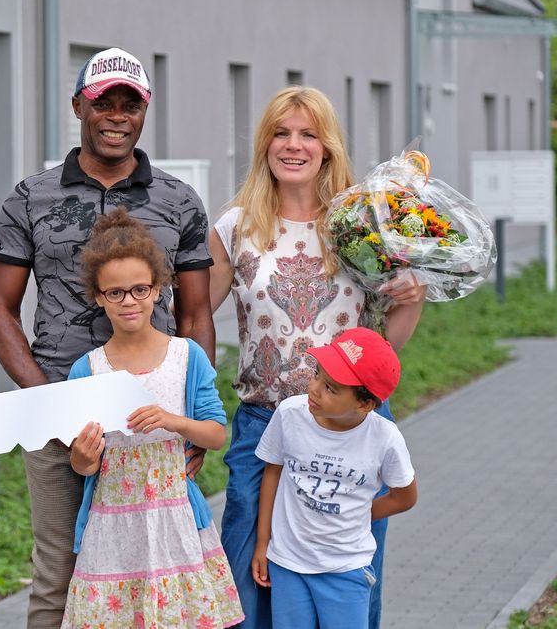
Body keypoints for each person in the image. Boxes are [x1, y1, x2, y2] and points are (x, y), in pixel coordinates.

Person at [0, 47, 216, 628]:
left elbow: (195, 316)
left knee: (156, 571)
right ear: (78, 107)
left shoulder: (178, 201)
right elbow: (0, 309)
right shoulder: (30, 197)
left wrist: (191, 414)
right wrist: (50, 402)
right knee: (59, 573)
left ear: (144, 113)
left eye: (129, 105)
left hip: (151, 413)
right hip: (58, 409)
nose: (116, 116)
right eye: (102, 103)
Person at [209, 86, 425, 629]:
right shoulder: (235, 227)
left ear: (327, 146)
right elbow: (192, 318)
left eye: (308, 134)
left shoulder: (359, 226)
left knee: (352, 573)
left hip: (351, 427)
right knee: (246, 569)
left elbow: (385, 346)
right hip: (265, 424)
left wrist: (412, 299)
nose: (293, 145)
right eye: (281, 133)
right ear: (265, 144)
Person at [62, 208, 244, 629]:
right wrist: (84, 457)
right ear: (97, 296)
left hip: (177, 522)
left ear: (159, 289)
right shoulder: (87, 370)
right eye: (116, 292)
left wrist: (172, 421)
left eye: (140, 289)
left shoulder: (186, 356)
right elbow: (82, 465)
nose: (129, 301)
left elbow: (216, 435)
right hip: (111, 529)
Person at [251, 327, 418, 629]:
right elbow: (272, 472)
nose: (314, 388)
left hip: (346, 569)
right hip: (288, 564)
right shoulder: (290, 414)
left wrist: (361, 514)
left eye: (330, 388)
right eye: (317, 374)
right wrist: (263, 543)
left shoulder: (384, 438)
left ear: (364, 404)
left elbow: (405, 496)